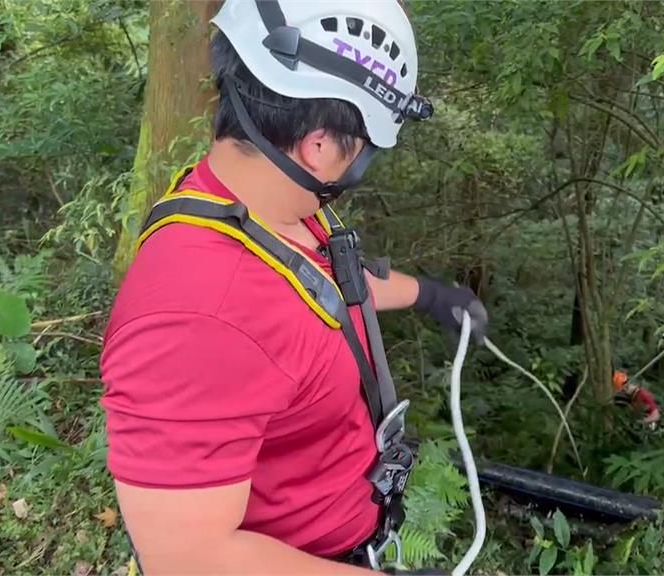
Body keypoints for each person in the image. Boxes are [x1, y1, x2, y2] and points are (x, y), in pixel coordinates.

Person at [99, 1, 487, 573]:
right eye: (364, 151)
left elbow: (329, 286)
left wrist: (430, 296)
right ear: (321, 146)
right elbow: (188, 559)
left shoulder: (266, 205)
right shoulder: (198, 316)